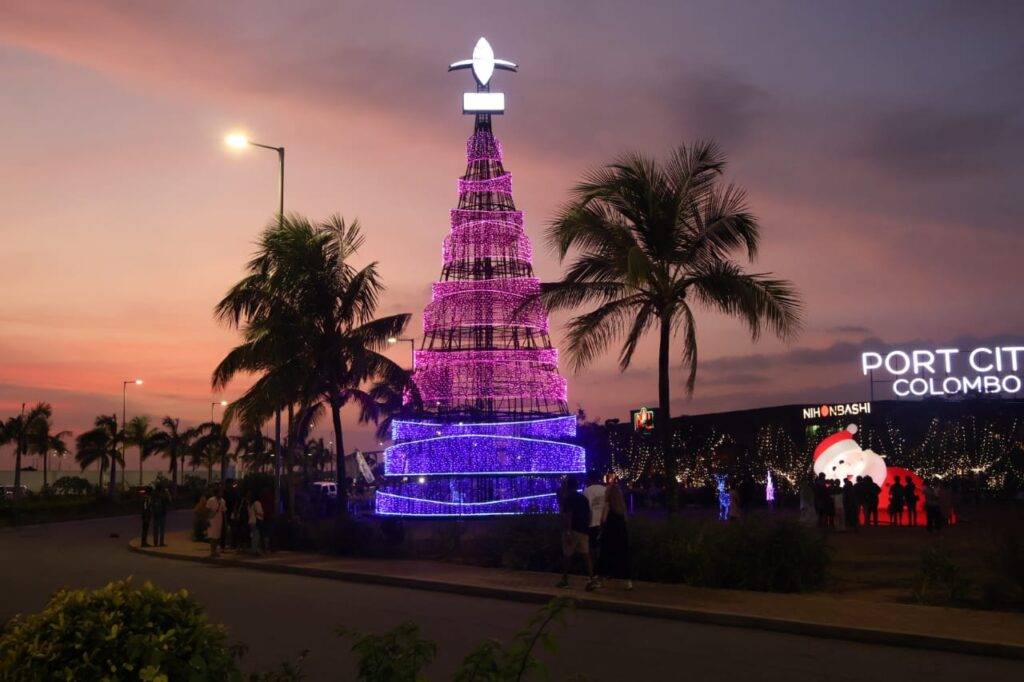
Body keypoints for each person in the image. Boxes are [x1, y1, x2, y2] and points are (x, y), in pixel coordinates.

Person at [556, 475, 596, 591]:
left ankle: (565, 580)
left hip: (573, 530)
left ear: (567, 486)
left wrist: (568, 532)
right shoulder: (583, 498)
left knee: (567, 555)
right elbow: (589, 514)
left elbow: (568, 515)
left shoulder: (568, 498)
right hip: (584, 530)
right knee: (586, 556)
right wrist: (587, 526)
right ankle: (591, 580)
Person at [601, 475, 632, 590]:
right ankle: (628, 582)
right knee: (623, 557)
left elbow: (603, 520)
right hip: (622, 534)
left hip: (610, 535)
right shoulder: (621, 508)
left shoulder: (608, 507)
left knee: (607, 556)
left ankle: (604, 579)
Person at [583, 471, 608, 583]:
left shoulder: (587, 491)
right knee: (602, 549)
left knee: (592, 551)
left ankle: (594, 574)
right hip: (604, 522)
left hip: (592, 524)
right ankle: (603, 573)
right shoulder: (605, 490)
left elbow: (587, 509)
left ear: (589, 479)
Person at [205, 487, 227, 558]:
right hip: (212, 520)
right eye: (220, 492)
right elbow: (207, 510)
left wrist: (225, 521)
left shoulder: (223, 501)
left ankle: (216, 551)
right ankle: (212, 552)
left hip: (219, 520)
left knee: (217, 536)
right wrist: (207, 519)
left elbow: (224, 512)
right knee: (212, 536)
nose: (221, 493)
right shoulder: (211, 500)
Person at [246, 491, 265, 555]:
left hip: (251, 521)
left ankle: (254, 549)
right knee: (257, 536)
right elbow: (260, 512)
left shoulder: (249, 504)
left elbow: (249, 514)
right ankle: (255, 550)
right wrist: (262, 515)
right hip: (256, 521)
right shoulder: (257, 503)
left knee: (254, 536)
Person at [151, 483, 169, 547]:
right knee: (162, 529)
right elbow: (169, 501)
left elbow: (151, 504)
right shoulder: (163, 495)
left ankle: (155, 542)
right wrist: (167, 492)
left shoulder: (153, 494)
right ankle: (161, 543)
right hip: (162, 513)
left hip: (155, 514)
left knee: (155, 529)